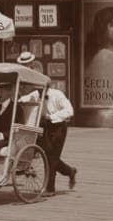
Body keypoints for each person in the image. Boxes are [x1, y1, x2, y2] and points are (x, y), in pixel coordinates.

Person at [28, 61, 78, 196]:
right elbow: (22, 102)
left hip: (58, 127)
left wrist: (52, 116)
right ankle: (70, 171)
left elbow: (70, 110)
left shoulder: (57, 94)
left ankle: (50, 189)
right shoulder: (34, 95)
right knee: (49, 155)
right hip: (44, 127)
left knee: (52, 157)